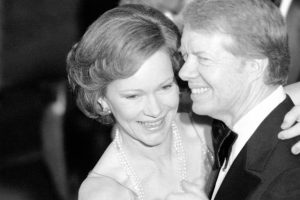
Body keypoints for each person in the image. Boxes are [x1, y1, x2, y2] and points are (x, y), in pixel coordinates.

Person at [66, 3, 300, 200]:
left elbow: (263, 99)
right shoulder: (105, 191)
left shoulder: (208, 123)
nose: (155, 110)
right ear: (102, 102)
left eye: (165, 87)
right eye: (133, 96)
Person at [167, 0, 300, 199]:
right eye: (185, 57)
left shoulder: (290, 177)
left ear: (254, 66)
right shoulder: (243, 135)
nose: (184, 73)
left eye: (203, 58)